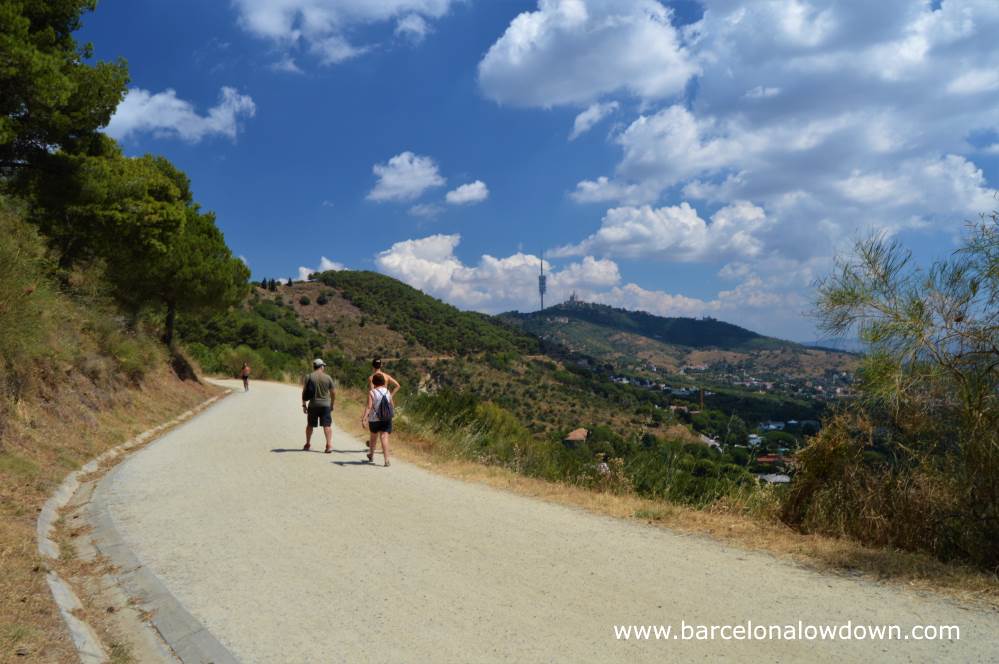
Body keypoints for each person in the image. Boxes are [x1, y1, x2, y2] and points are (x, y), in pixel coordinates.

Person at [302, 358, 335, 453]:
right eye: (323, 366)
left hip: (313, 405)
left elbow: (304, 392)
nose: (324, 367)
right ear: (321, 367)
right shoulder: (328, 377)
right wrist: (332, 404)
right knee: (327, 425)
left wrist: (304, 405)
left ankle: (307, 444)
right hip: (325, 405)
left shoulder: (309, 377)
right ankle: (329, 445)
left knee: (310, 425)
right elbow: (333, 392)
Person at [362, 373, 395, 467]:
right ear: (383, 382)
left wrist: (364, 418)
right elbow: (391, 405)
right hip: (386, 418)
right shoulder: (387, 392)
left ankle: (371, 455)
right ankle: (386, 460)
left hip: (374, 419)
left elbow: (369, 407)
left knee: (373, 437)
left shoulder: (372, 392)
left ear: (374, 382)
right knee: (384, 437)